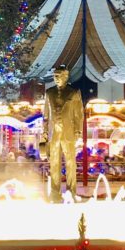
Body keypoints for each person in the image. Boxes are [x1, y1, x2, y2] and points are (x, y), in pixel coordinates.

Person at [42, 64, 84, 202]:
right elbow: (45, 116)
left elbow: (79, 115)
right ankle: (55, 192)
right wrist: (44, 133)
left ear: (66, 77)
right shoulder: (49, 93)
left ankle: (72, 191)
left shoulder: (73, 93)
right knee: (54, 163)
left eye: (58, 76)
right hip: (54, 134)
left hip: (69, 133)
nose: (56, 79)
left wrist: (78, 132)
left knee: (71, 163)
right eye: (54, 76)